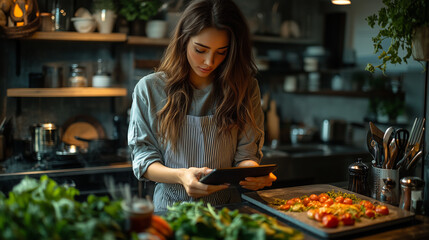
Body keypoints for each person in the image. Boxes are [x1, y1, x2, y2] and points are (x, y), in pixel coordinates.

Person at [128, 0, 276, 212]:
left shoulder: (245, 88)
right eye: (200, 49)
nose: (209, 61)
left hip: (228, 212)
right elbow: (143, 159)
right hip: (170, 212)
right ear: (183, 40)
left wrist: (253, 174)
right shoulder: (150, 89)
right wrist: (181, 176)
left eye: (221, 52)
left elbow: (246, 156)